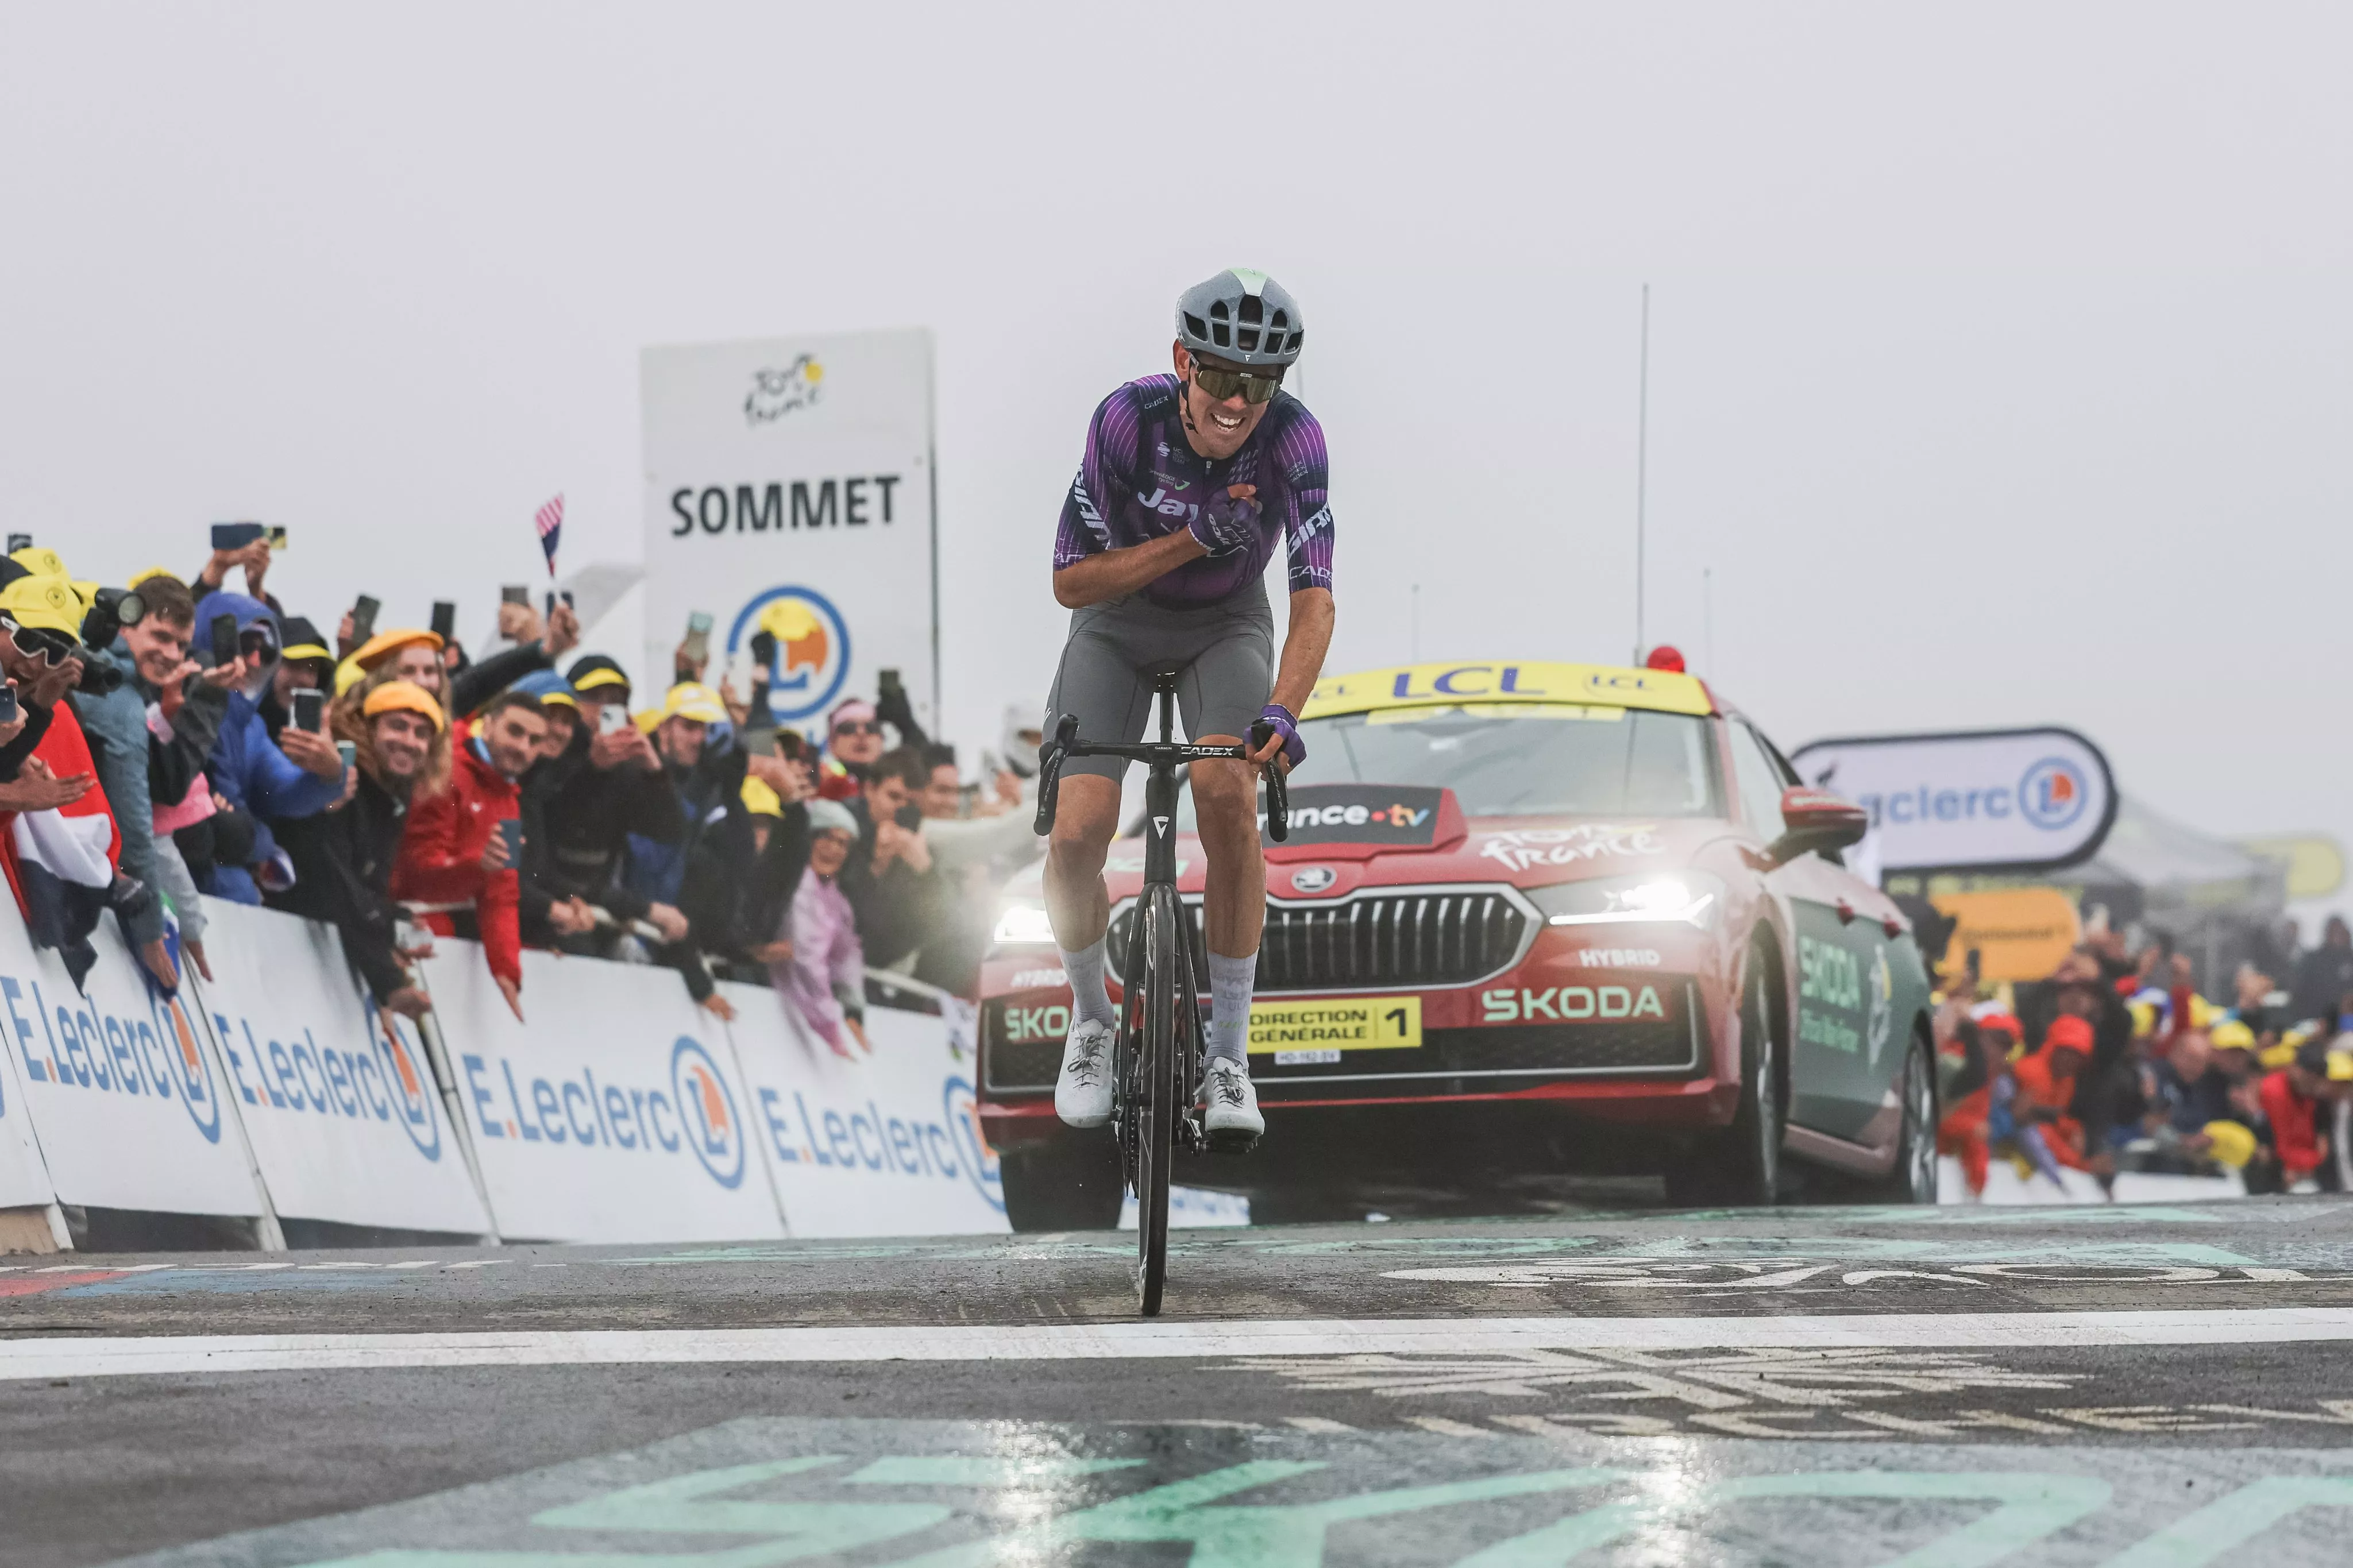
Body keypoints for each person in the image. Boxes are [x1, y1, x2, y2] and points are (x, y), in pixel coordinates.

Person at [1039, 268, 1334, 1148]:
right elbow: (1069, 582)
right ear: (1182, 364)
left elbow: (1315, 595)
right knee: (1078, 832)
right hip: (1115, 625)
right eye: (1219, 377)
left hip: (1227, 626)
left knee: (1225, 796)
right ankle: (1092, 1019)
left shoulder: (1296, 441)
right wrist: (1192, 540)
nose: (1237, 400)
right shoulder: (1126, 420)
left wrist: (1283, 712)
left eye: (1259, 382)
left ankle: (1229, 1056)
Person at [269, 681, 448, 1020]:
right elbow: (333, 877)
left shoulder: (394, 793)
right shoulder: (343, 778)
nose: (409, 741)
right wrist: (388, 977)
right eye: (398, 726)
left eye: (421, 733)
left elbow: (367, 888)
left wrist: (395, 928)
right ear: (368, 729)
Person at [391, 689, 546, 1021]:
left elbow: (503, 894)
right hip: (409, 921)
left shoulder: (510, 801)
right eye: (515, 731)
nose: (522, 747)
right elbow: (417, 872)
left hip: (441, 930)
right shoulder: (447, 772)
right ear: (487, 726)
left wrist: (507, 971)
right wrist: (479, 866)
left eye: (534, 741)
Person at [191, 591, 348, 902]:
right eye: (244, 645)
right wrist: (265, 842)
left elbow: (282, 793)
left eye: (266, 651)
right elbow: (224, 826)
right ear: (211, 638)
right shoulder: (186, 705)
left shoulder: (250, 725)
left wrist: (330, 774)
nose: (253, 661)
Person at [772, 797, 867, 1056]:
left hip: (802, 1014)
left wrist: (853, 1009)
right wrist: (831, 1027)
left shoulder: (838, 902)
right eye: (826, 838)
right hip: (771, 1001)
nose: (834, 850)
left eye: (843, 844)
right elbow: (807, 956)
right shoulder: (798, 884)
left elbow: (846, 956)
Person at [2292, 917, 2353, 1024]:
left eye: (2342, 932)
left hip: (2348, 1021)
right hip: (2318, 1019)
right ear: (2327, 934)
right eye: (2335, 933)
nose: (2339, 937)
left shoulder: (2350, 958)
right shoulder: (2314, 960)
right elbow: (2303, 993)